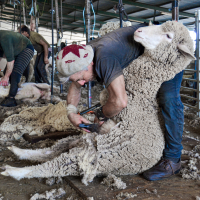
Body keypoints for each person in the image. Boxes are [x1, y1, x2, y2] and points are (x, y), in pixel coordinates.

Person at [56, 23, 183, 181]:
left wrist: (101, 114)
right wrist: (71, 112)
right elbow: (75, 86)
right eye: (78, 79)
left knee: (168, 97)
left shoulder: (104, 58)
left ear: (90, 64)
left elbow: (120, 102)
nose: (82, 83)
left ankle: (173, 159)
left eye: (82, 78)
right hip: (143, 56)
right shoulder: (82, 54)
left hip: (166, 49)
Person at [0, 30, 34, 107]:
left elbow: (10, 61)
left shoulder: (4, 38)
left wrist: (6, 77)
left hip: (27, 48)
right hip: (17, 50)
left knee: (15, 73)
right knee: (6, 71)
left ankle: (11, 98)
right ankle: (13, 91)